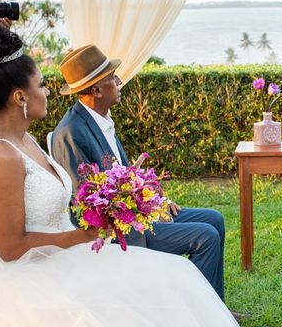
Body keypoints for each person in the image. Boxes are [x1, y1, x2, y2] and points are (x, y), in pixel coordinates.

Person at [0, 20, 282, 327]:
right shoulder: (3, 155)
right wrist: (84, 234)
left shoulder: (26, 141)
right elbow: (9, 246)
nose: (46, 92)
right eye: (41, 84)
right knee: (165, 279)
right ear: (19, 97)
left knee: (176, 274)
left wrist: (139, 202)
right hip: (47, 272)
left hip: (78, 251)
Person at [51, 45, 225, 301]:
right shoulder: (70, 133)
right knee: (205, 236)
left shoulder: (101, 119)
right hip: (121, 232)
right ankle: (197, 314)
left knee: (214, 219)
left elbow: (127, 177)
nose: (119, 81)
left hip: (138, 215)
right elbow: (87, 207)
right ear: (96, 90)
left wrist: (157, 203)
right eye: (112, 77)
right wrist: (144, 215)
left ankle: (216, 309)